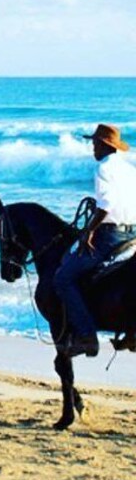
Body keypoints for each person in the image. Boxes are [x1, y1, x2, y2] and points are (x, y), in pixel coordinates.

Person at [54, 124, 136, 357]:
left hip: (110, 236)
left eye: (94, 144)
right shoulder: (130, 169)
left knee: (63, 277)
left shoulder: (103, 168)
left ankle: (87, 337)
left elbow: (106, 205)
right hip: (132, 235)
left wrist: (89, 230)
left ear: (103, 145)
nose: (92, 149)